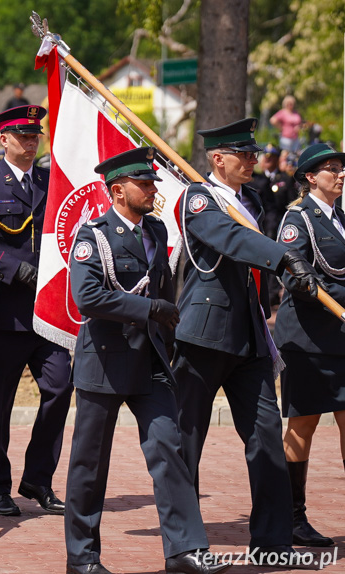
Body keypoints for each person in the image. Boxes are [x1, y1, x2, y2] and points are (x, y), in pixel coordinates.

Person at [66, 148, 229, 574]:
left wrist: (166, 324)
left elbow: (165, 291)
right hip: (104, 362)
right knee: (89, 464)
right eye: (145, 183)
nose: (154, 190)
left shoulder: (155, 230)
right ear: (118, 191)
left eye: (154, 182)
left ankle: (185, 551)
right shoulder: (93, 237)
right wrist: (148, 309)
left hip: (150, 362)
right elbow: (87, 297)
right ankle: (82, 559)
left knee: (169, 451)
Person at [173, 118, 322, 563]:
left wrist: (290, 278)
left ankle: (272, 544)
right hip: (203, 336)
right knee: (187, 442)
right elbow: (230, 238)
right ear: (218, 158)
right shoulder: (199, 198)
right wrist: (283, 257)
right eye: (244, 154)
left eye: (254, 153)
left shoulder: (252, 199)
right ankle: (187, 545)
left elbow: (256, 259)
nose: (253, 160)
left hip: (252, 337)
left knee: (265, 438)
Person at [0, 105, 73, 517]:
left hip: (46, 314)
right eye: (21, 135)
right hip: (3, 312)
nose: (30, 141)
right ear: (2, 139)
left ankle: (38, 478)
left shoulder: (51, 182)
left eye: (34, 135)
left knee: (60, 388)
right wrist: (10, 267)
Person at [274, 143, 345, 548]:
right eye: (331, 169)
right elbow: (296, 277)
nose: (340, 174)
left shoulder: (340, 219)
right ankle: (293, 517)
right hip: (309, 340)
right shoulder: (297, 217)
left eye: (340, 168)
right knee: (304, 425)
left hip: (339, 339)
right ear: (309, 177)